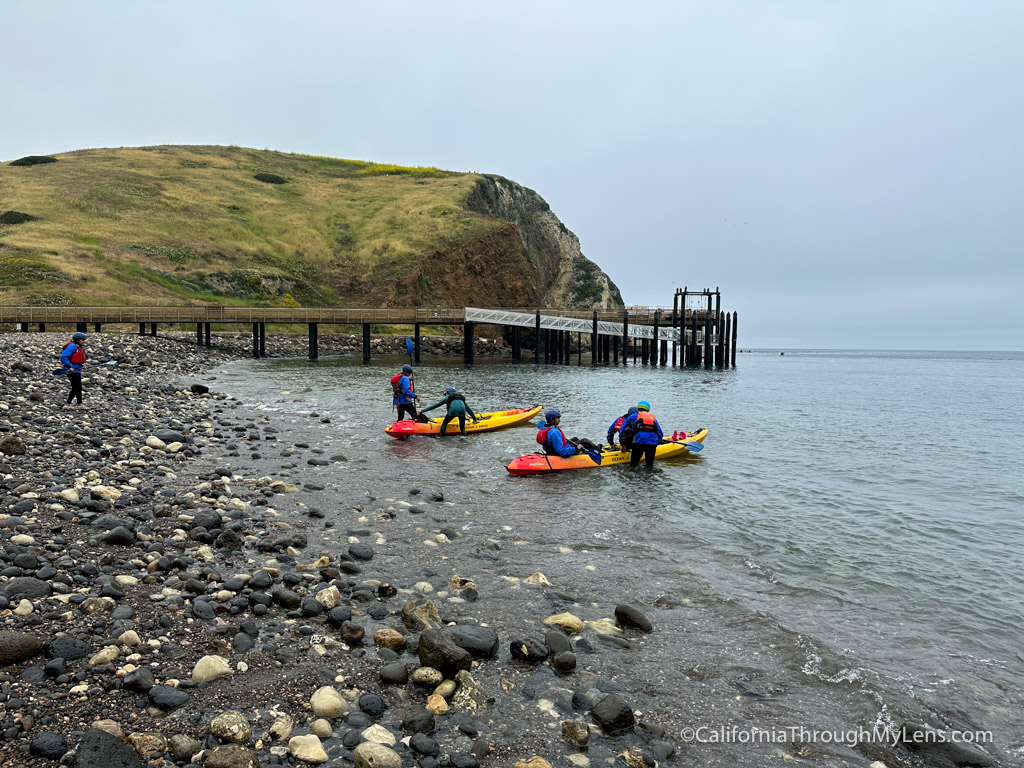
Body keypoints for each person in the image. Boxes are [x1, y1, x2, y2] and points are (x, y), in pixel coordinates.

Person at [620, 400, 664, 468]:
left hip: (639, 442)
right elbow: (660, 433)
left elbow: (622, 430)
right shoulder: (652, 417)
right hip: (652, 443)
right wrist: (658, 441)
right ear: (648, 409)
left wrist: (623, 445)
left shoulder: (633, 416)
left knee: (633, 465)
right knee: (649, 466)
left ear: (638, 408)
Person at [60, 332, 87, 408]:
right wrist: (69, 366)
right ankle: (67, 404)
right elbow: (63, 357)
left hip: (77, 369)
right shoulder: (72, 346)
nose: (84, 341)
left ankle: (80, 403)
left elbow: (79, 359)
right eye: (82, 340)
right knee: (75, 387)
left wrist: (83, 365)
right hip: (71, 370)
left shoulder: (79, 346)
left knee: (79, 386)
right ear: (77, 340)